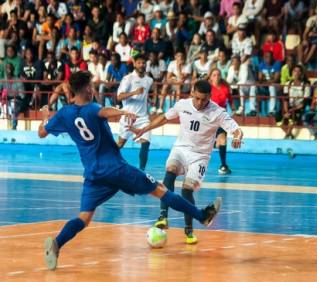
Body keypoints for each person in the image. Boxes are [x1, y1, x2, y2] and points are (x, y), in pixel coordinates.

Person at [38, 71, 222, 271]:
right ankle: (202, 216)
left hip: (93, 174)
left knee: (84, 217)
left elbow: (41, 132)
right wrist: (123, 113)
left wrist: (45, 117)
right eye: (91, 87)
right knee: (160, 189)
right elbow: (103, 112)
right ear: (88, 89)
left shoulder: (64, 114)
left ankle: (57, 244)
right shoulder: (92, 109)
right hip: (116, 168)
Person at [130, 80, 243, 244]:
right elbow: (164, 118)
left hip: (200, 157)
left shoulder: (217, 112)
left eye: (204, 100)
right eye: (197, 98)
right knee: (170, 170)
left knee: (187, 190)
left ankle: (189, 230)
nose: (200, 103)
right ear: (192, 93)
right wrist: (144, 129)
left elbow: (236, 129)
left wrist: (238, 137)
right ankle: (163, 216)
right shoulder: (183, 104)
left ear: (209, 97)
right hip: (181, 149)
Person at [116, 55, 153, 171]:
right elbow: (119, 97)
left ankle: (142, 170)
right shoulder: (128, 79)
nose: (142, 65)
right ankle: (105, 160)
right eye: (139, 63)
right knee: (120, 144)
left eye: (143, 63)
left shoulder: (149, 80)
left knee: (146, 142)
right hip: (128, 116)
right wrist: (134, 92)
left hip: (142, 118)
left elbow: (145, 95)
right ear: (135, 64)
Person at [209, 68, 236, 175]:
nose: (216, 77)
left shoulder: (225, 88)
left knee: (223, 140)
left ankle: (223, 165)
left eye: (218, 75)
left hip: (222, 119)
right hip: (209, 119)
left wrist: (234, 110)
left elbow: (231, 101)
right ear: (210, 77)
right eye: (214, 75)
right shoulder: (208, 88)